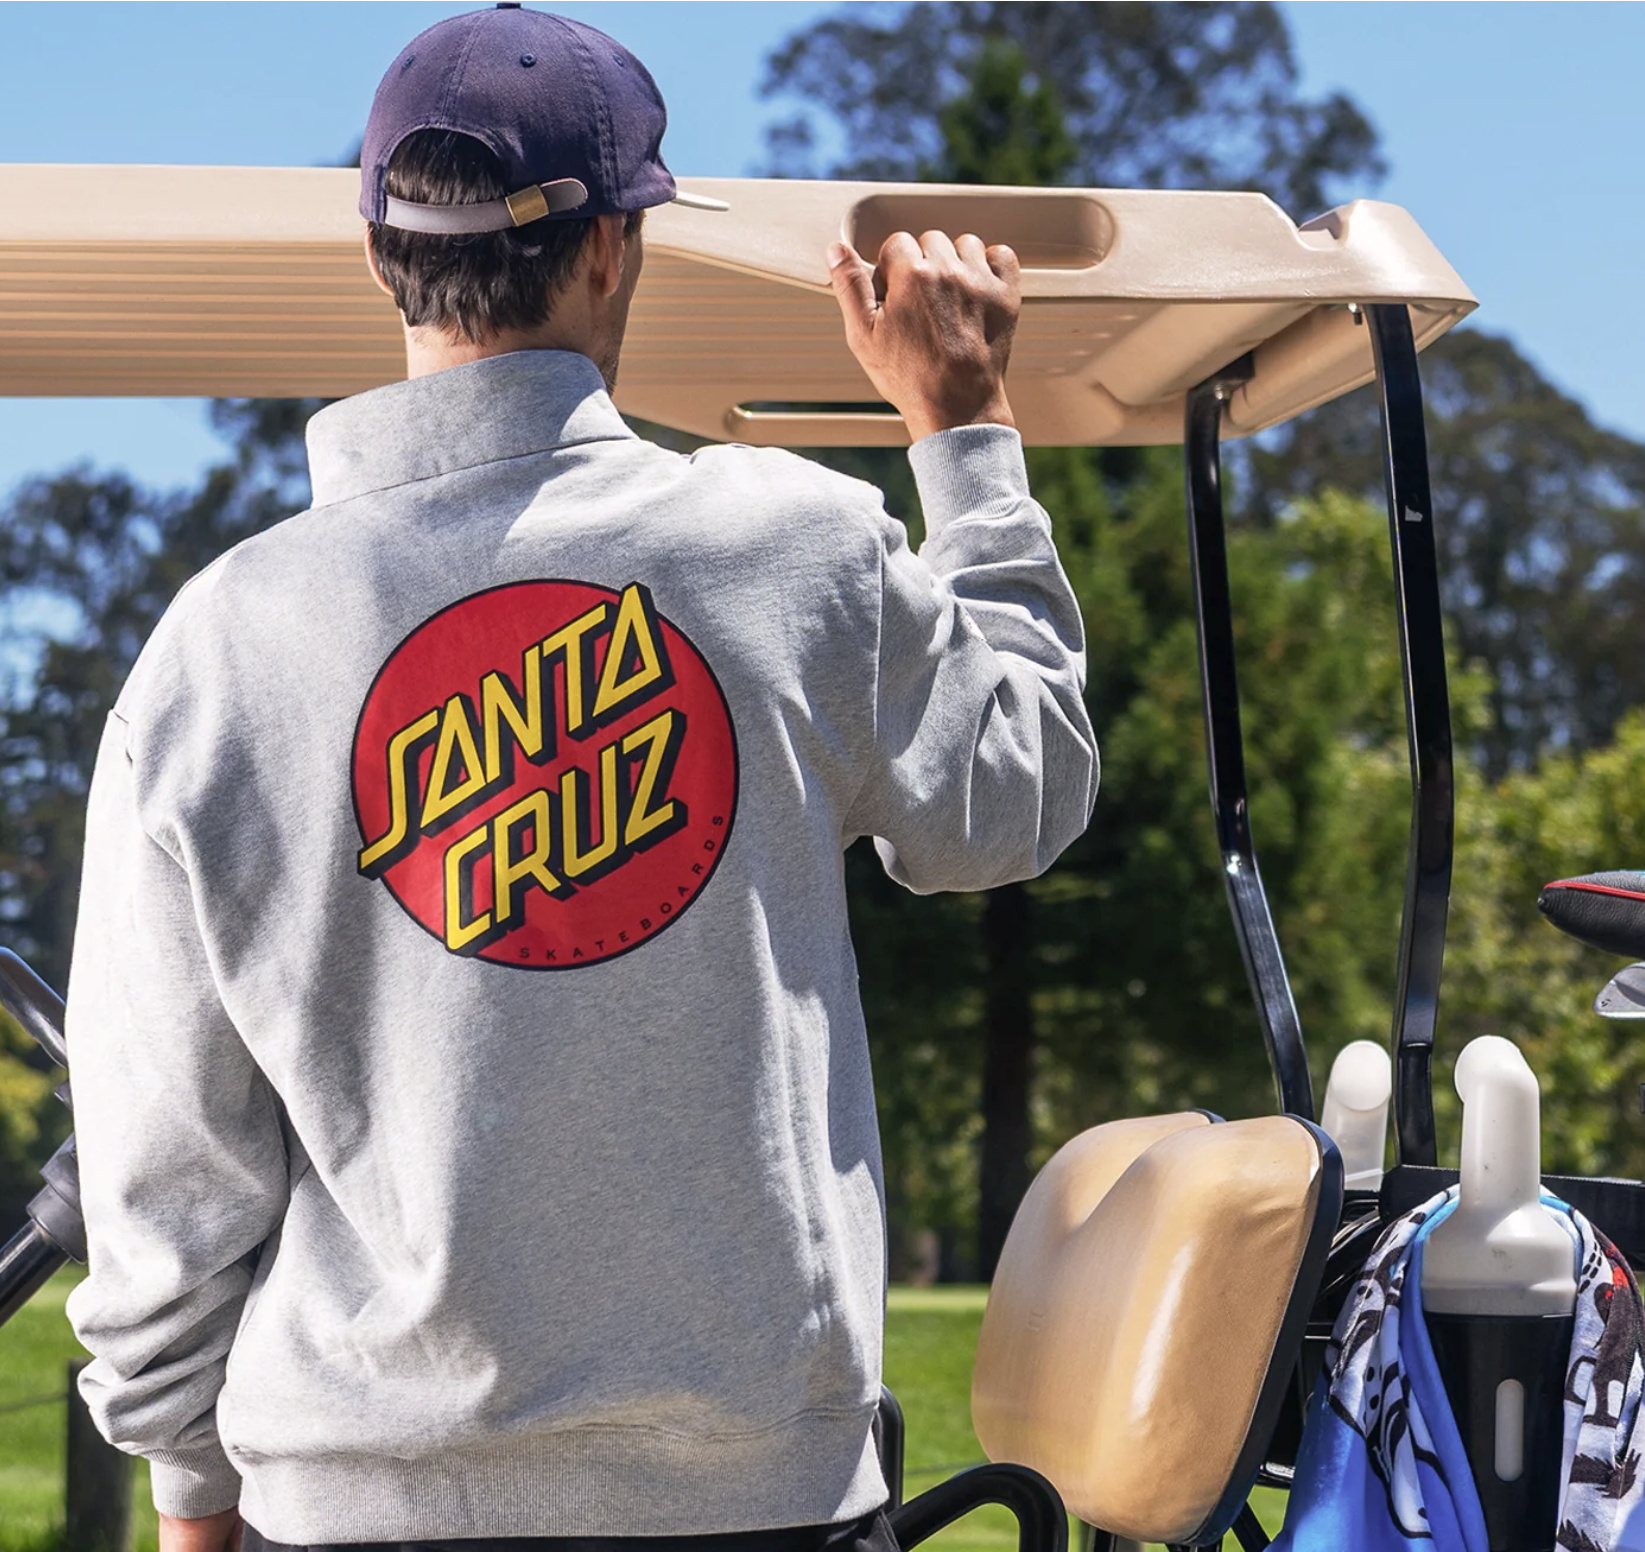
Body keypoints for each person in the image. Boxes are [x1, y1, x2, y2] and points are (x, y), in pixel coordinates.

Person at [61, 7, 1097, 1551]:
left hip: (347, 1506)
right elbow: (1015, 799)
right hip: (756, 1502)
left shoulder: (217, 646)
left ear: (374, 255)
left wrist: (192, 1488)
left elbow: (166, 1157)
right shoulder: (789, 549)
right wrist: (961, 430)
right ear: (613, 250)